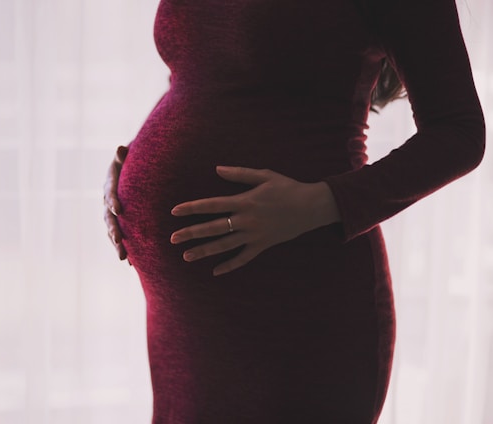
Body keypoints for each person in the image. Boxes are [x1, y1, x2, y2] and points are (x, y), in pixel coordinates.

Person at [103, 0, 485, 422]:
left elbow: (460, 132)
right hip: (183, 319)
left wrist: (320, 202)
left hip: (295, 300)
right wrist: (130, 168)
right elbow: (206, 77)